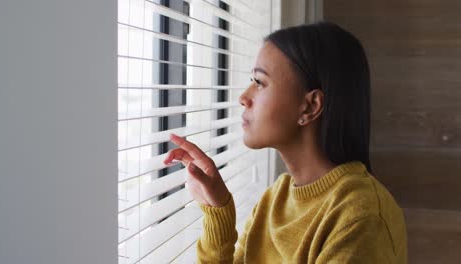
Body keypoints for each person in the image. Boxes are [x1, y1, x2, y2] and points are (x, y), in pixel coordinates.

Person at [164, 21, 408, 263]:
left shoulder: (361, 216)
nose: (243, 98)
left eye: (260, 83)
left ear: (311, 106)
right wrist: (218, 213)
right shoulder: (276, 198)